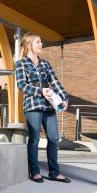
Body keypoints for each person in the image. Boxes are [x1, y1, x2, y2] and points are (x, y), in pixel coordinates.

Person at [15, 33, 71, 184]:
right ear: (28, 45)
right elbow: (21, 84)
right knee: (34, 139)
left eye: (41, 42)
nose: (41, 44)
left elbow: (55, 82)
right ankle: (35, 172)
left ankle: (54, 172)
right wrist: (40, 91)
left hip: (48, 106)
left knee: (53, 138)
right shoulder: (21, 64)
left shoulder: (45, 63)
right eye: (38, 42)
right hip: (32, 105)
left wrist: (64, 97)